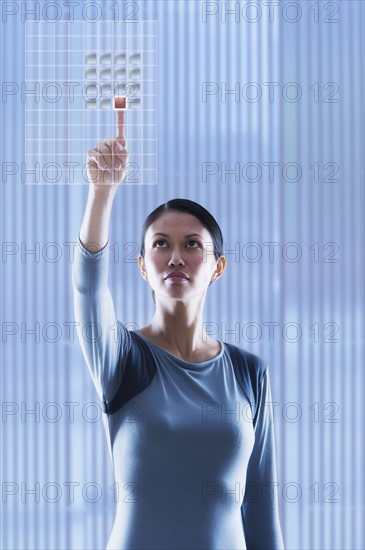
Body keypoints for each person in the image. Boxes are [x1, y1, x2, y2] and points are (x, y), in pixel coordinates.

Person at [72, 110, 285, 549]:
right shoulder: (121, 359)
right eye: (160, 244)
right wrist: (101, 194)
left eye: (192, 244)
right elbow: (88, 287)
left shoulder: (249, 373)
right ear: (143, 267)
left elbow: (261, 510)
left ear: (218, 267)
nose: (175, 257)